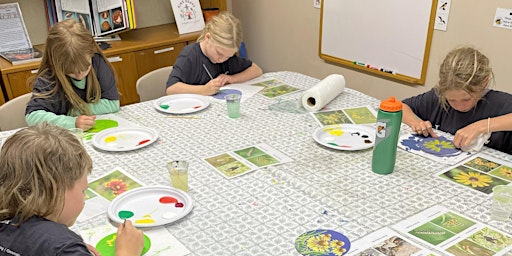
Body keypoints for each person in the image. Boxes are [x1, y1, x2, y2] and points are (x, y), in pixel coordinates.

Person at [0, 123, 144, 255]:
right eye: (83, 191)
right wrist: (127, 252)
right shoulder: (64, 247)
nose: (85, 197)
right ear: (55, 190)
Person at [402, 46, 512, 154]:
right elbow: (399, 107)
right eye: (452, 100)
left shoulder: (502, 103)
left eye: (466, 99)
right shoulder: (437, 97)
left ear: (484, 83)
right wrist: (415, 122)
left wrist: (482, 126)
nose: (460, 106)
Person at [25, 19, 120, 131]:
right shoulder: (49, 77)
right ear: (55, 63)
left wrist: (74, 111)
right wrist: (71, 122)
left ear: (91, 53)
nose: (79, 75)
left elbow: (113, 104)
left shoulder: (97, 62)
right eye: (70, 71)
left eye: (85, 68)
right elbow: (32, 116)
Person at [166, 11, 263, 96]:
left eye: (228, 56)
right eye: (219, 53)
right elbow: (171, 88)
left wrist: (232, 78)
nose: (222, 59)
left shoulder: (228, 57)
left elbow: (256, 70)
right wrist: (203, 90)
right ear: (208, 38)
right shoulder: (190, 55)